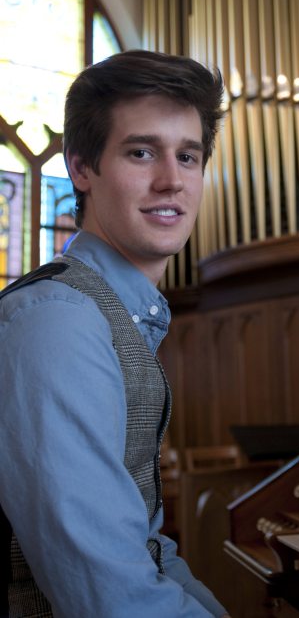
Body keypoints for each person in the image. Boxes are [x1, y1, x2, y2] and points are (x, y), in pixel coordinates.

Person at [0, 50, 231, 617]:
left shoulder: (118, 312)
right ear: (81, 167)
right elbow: (109, 594)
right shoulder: (59, 320)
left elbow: (146, 547)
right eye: (141, 152)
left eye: (189, 156)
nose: (172, 181)